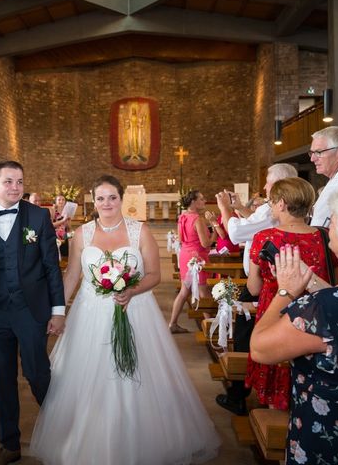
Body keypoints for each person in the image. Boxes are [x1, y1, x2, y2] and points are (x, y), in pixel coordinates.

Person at [31, 175, 220, 465]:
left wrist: (132, 290)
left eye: (112, 197)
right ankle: (89, 440)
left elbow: (155, 275)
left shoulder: (139, 231)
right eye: (101, 198)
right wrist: (58, 312)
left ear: (122, 199)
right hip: (89, 314)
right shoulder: (81, 233)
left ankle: (138, 440)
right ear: (93, 201)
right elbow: (71, 276)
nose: (107, 203)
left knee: (136, 377)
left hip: (135, 311)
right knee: (88, 377)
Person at [250, 177, 338, 465]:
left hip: (329, 444)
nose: (328, 225)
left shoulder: (328, 310)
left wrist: (286, 290)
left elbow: (260, 349)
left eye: (335, 220)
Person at [0, 161, 65, 465]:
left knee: (37, 373)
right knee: (3, 379)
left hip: (31, 309)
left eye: (20, 181)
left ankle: (61, 434)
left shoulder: (38, 216)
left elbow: (51, 266)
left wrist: (58, 310)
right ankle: (9, 443)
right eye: (9, 181)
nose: (15, 187)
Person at [245, 177, 338, 411]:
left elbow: (253, 289)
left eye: (271, 201)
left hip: (276, 309)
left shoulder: (264, 238)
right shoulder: (326, 236)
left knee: (277, 363)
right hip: (316, 313)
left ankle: (275, 425)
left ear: (281, 204)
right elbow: (336, 283)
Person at [213, 163, 298, 415]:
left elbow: (238, 234)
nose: (264, 186)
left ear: (281, 185)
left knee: (246, 339)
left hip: (264, 288)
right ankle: (253, 393)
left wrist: (225, 210)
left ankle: (241, 395)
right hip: (273, 287)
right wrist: (238, 209)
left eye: (268, 181)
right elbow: (250, 223)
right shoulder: (273, 212)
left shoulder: (272, 213)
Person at [167, 190, 217, 333]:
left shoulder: (183, 216)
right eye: (201, 199)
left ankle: (173, 323)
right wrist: (214, 230)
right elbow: (206, 243)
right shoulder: (198, 219)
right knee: (204, 291)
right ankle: (212, 328)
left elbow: (181, 239)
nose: (204, 201)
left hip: (185, 255)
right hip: (197, 258)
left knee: (184, 291)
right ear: (193, 202)